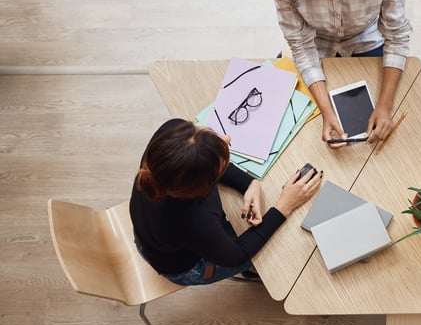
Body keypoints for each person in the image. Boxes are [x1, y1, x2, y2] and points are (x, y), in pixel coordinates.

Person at [269, 0, 412, 148]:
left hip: (365, 37)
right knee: (295, 124)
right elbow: (300, 45)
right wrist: (327, 112)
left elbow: (397, 37)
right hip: (315, 41)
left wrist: (385, 107)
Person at [130, 119, 322, 285]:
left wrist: (250, 184)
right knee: (283, 244)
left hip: (154, 238)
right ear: (205, 185)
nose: (227, 138)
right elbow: (236, 256)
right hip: (185, 267)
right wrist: (284, 206)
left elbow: (202, 159)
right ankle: (253, 271)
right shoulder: (196, 221)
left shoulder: (168, 139)